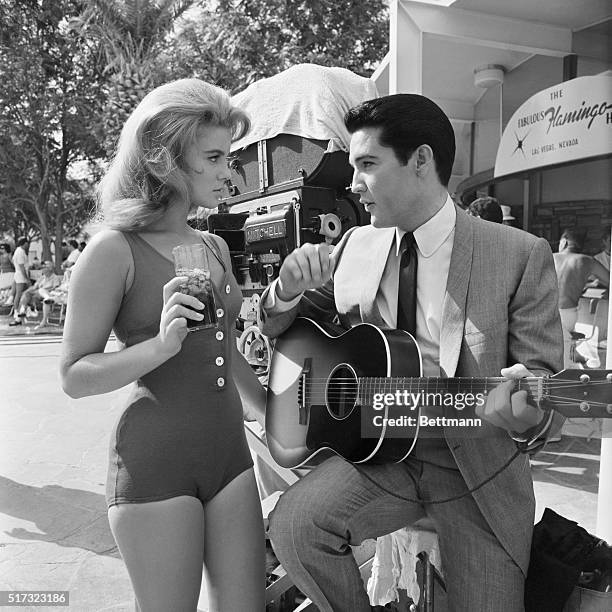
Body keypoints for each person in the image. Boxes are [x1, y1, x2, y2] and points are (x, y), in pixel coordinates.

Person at [258, 94, 564, 612]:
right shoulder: (355, 244)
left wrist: (528, 409)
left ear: (421, 161)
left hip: (478, 471)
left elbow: (546, 393)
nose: (352, 184)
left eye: (368, 165)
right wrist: (284, 291)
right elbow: (290, 330)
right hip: (380, 457)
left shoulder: (517, 253)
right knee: (294, 526)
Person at [59, 78, 265, 611]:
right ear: (165, 159)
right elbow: (74, 375)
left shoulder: (215, 246)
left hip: (231, 459)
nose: (229, 172)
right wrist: (158, 346)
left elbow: (224, 348)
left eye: (229, 156)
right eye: (215, 157)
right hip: (155, 463)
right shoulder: (113, 250)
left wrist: (273, 412)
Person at [553, 228, 609, 369]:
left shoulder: (550, 257)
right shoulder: (587, 261)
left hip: (546, 312)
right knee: (563, 351)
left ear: (564, 242)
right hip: (568, 315)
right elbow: (610, 280)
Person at [10, 260, 60, 327]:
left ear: (51, 268)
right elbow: (34, 287)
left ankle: (20, 316)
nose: (43, 268)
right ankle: (22, 313)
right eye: (43, 267)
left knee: (33, 293)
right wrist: (26, 291)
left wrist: (46, 290)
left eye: (45, 267)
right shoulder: (41, 278)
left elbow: (56, 289)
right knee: (26, 294)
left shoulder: (55, 278)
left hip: (46, 297)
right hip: (35, 297)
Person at [11, 237, 30, 324]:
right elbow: (22, 267)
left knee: (21, 294)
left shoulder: (19, 251)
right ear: (24, 243)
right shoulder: (20, 252)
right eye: (27, 243)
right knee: (18, 294)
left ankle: (20, 311)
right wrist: (26, 278)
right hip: (20, 276)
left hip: (19, 274)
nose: (28, 245)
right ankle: (16, 312)